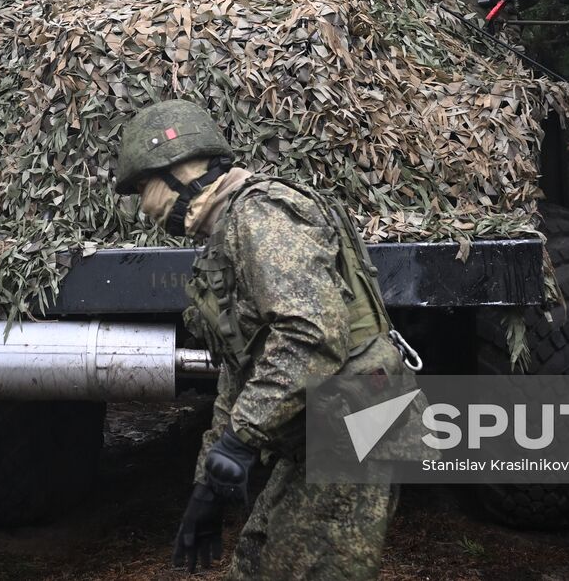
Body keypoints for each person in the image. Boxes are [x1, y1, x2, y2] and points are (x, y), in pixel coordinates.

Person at [114, 99, 416, 580]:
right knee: (257, 563)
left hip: (360, 417)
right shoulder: (228, 234)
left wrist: (241, 440)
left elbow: (310, 336)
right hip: (330, 419)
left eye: (141, 189)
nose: (144, 208)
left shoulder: (261, 216)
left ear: (178, 172)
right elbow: (241, 372)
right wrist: (207, 487)